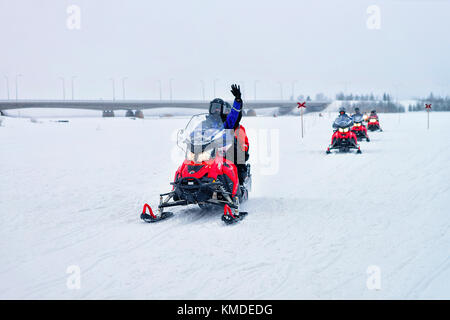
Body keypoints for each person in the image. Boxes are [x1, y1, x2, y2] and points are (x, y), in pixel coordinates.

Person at [208, 84, 249, 186]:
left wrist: (238, 100)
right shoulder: (204, 123)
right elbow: (194, 133)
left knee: (235, 157)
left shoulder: (226, 123)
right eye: (214, 108)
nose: (216, 110)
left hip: (224, 149)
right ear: (210, 108)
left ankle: (236, 184)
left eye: (218, 108)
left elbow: (234, 115)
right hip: (207, 148)